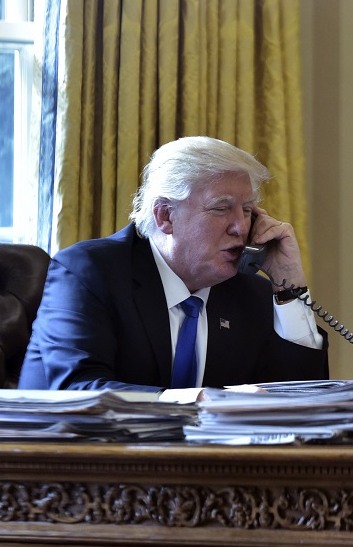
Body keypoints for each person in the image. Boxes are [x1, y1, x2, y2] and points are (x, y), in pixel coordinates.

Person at [18, 136, 328, 395]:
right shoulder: (89, 272)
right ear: (165, 216)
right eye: (221, 208)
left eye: (247, 210)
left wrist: (290, 289)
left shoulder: (251, 293)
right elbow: (79, 390)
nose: (240, 227)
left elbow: (305, 403)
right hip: (74, 462)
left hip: (206, 467)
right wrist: (202, 403)